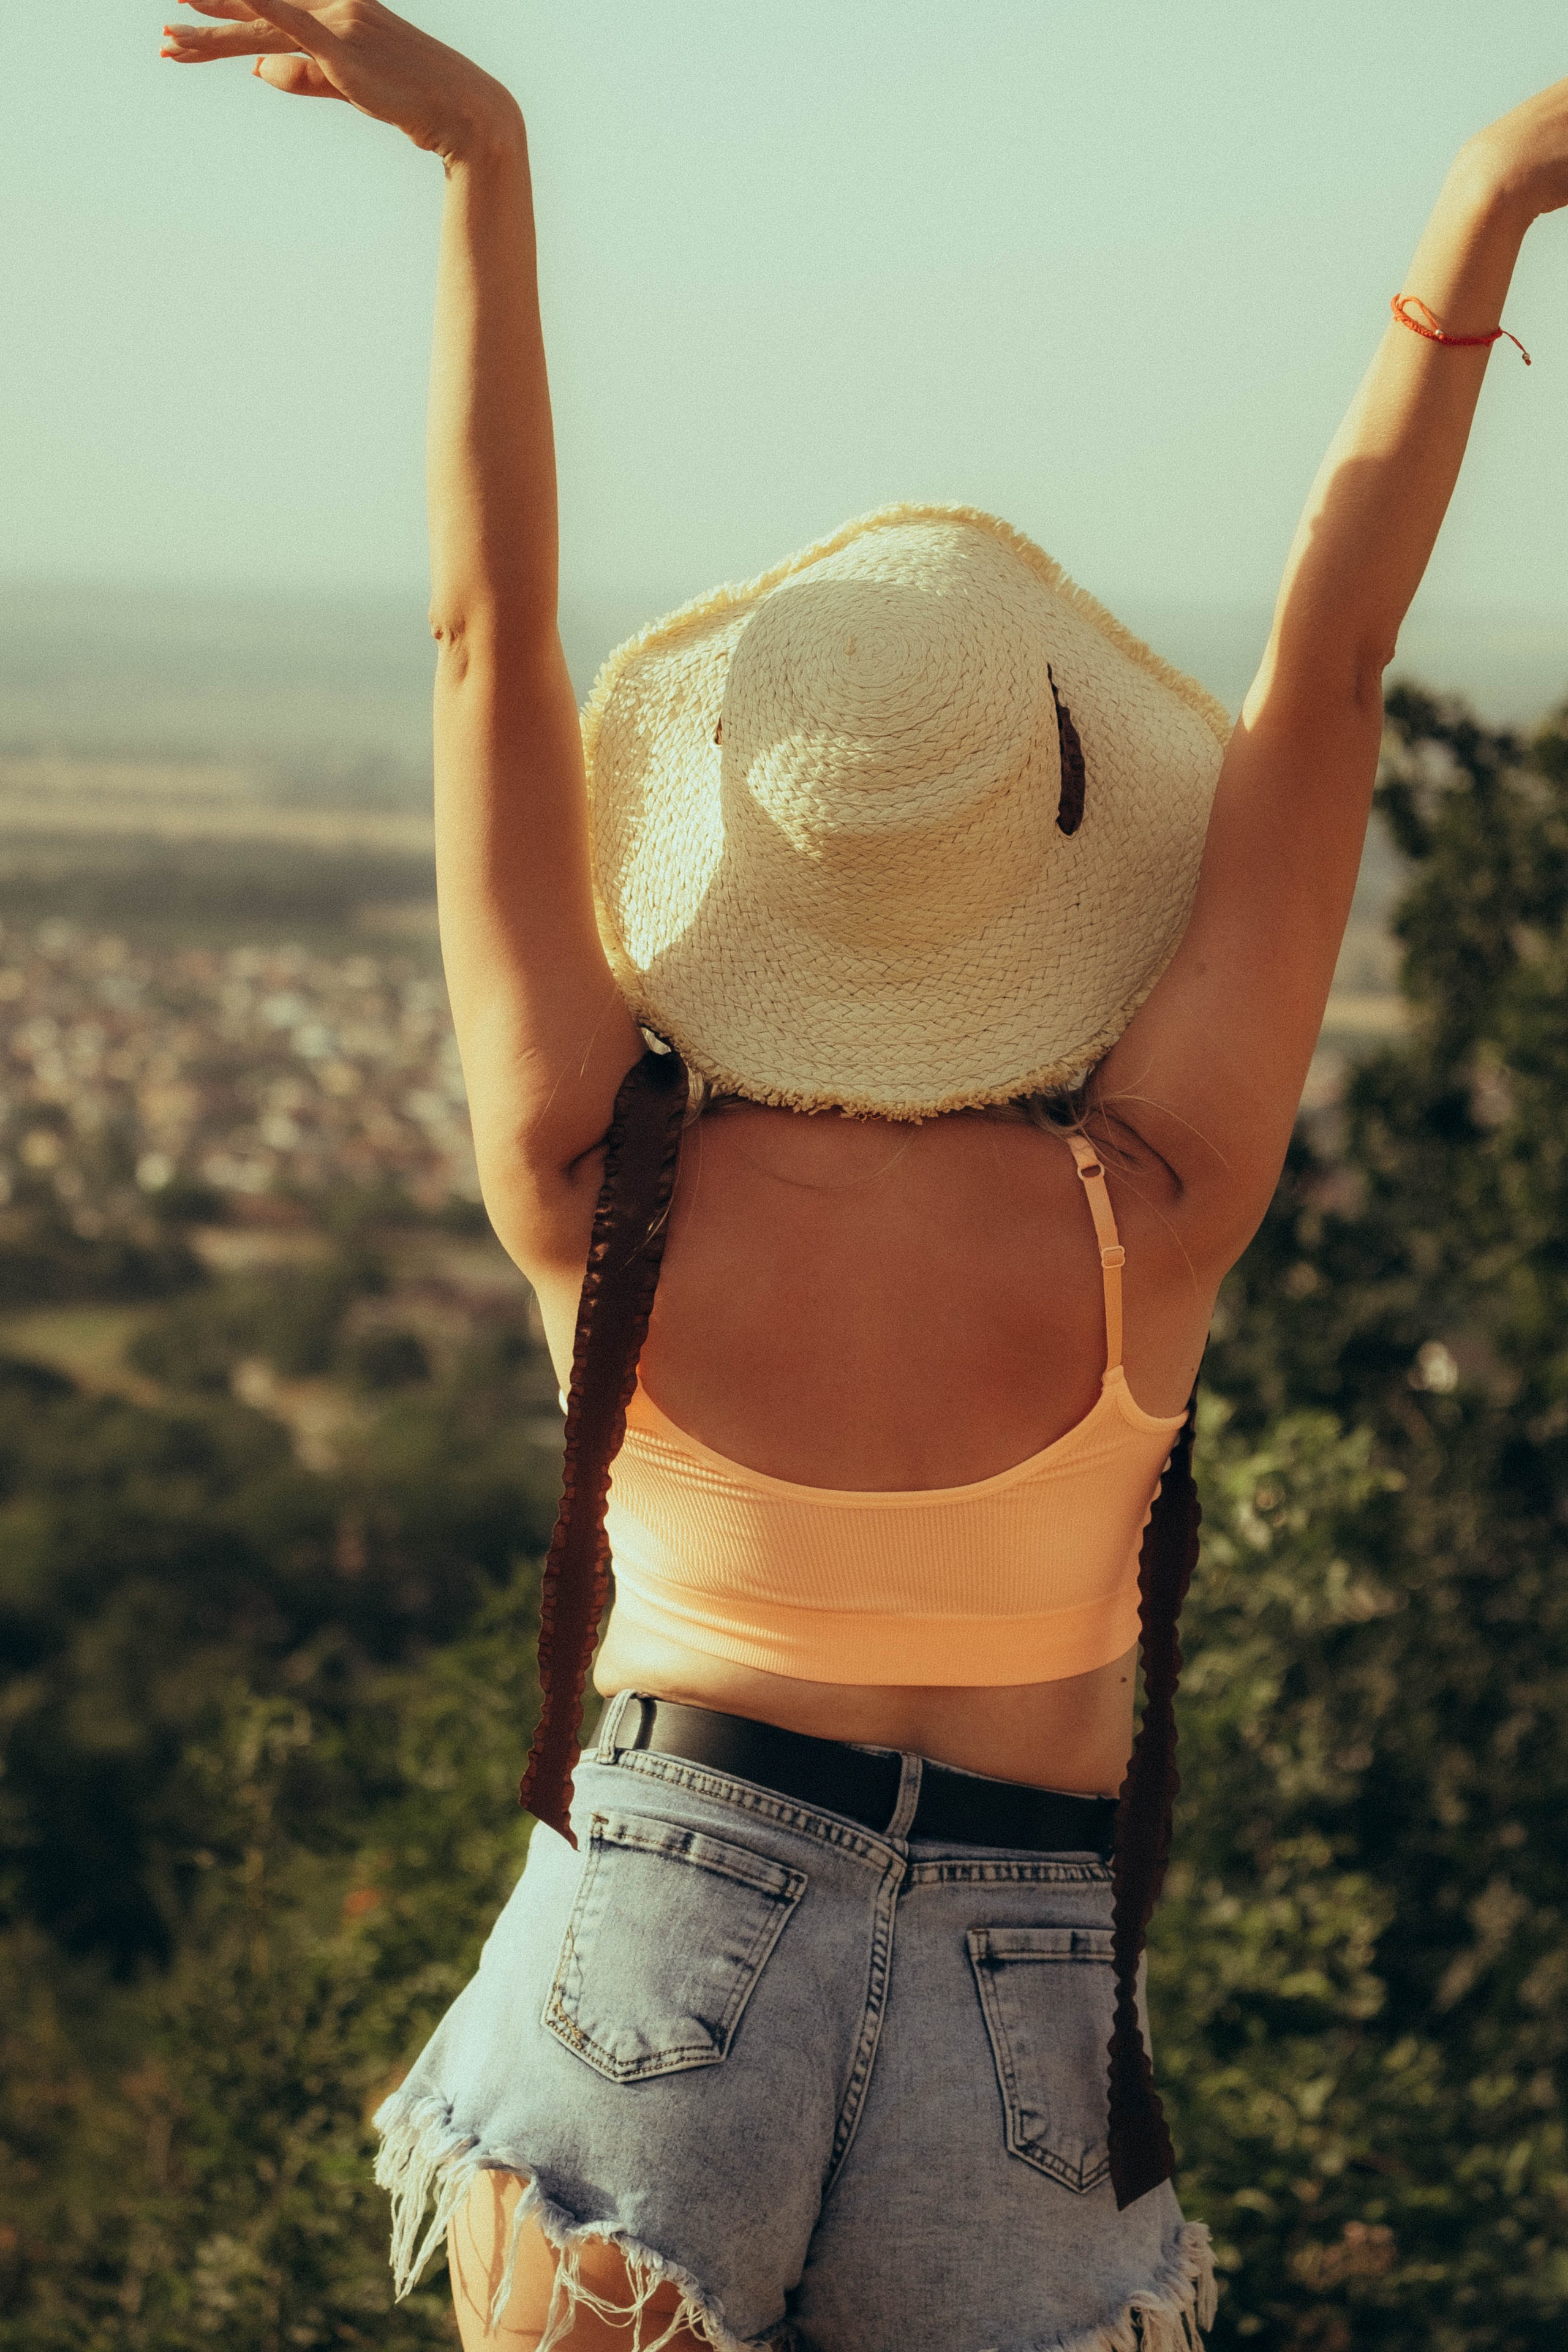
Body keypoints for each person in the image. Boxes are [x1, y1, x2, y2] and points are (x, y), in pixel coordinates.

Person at [160, 6, 1568, 2347]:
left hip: (661, 1925)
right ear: (1056, 846)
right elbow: (1328, 690)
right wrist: (1488, 198)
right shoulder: (1157, 1200)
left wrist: (480, 164)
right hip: (1038, 1990)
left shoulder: (589, 1186)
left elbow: (485, 641)